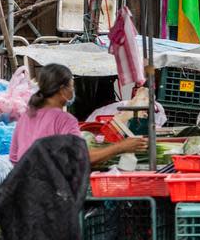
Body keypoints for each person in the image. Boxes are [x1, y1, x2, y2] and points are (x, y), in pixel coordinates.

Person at [9, 64, 147, 165]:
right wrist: (121, 147)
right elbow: (82, 157)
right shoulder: (64, 120)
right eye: (71, 86)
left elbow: (14, 158)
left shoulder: (26, 117)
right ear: (62, 90)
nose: (73, 91)